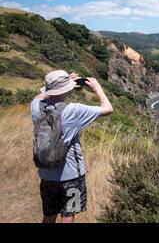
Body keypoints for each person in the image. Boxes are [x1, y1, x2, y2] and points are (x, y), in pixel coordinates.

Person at [31, 70, 113, 223]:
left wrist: (59, 85)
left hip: (46, 173)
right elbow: (108, 109)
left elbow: (39, 97)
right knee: (68, 214)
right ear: (68, 88)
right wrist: (97, 89)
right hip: (71, 176)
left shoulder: (36, 108)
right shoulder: (74, 110)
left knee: (49, 214)